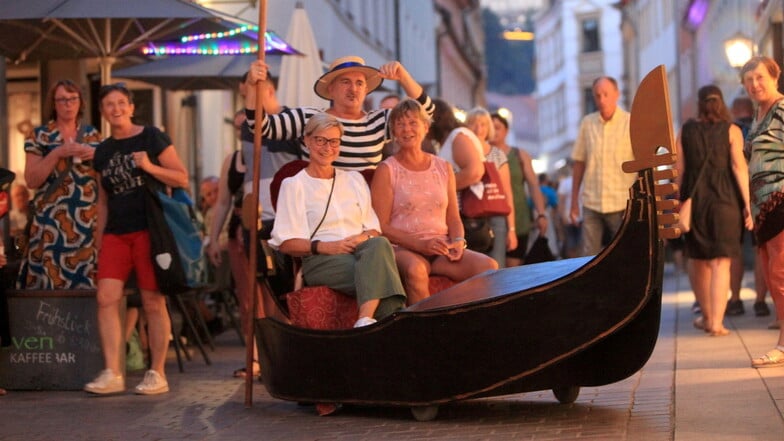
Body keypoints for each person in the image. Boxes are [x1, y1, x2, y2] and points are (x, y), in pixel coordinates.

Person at [86, 83, 189, 395]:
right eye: (109, 105)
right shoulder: (102, 151)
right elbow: (103, 200)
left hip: (150, 229)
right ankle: (113, 371)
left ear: (131, 107)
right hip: (116, 232)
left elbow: (181, 177)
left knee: (152, 301)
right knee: (106, 297)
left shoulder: (151, 137)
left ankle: (157, 372)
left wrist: (148, 165)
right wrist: (98, 237)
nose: (115, 109)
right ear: (102, 112)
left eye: (121, 103)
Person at [269, 113, 406, 327]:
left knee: (379, 244)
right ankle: (386, 326)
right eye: (320, 140)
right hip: (321, 259)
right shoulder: (294, 185)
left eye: (333, 141)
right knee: (382, 275)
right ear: (307, 140)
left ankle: (364, 320)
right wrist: (328, 247)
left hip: (362, 253)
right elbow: (286, 243)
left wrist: (361, 238)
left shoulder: (353, 180)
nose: (327, 147)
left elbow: (374, 230)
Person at [371, 99, 498, 304]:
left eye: (413, 123)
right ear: (393, 130)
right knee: (417, 270)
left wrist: (458, 241)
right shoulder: (387, 170)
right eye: (400, 124)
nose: (407, 129)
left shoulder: (443, 167)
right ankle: (427, 331)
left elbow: (453, 217)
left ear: (426, 127)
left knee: (489, 266)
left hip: (440, 247)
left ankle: (466, 324)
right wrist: (421, 244)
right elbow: (380, 226)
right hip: (403, 248)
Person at [245, 55, 434, 170]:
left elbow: (425, 112)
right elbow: (261, 127)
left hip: (365, 212)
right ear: (331, 90)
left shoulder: (380, 121)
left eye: (359, 83)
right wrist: (252, 87)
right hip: (320, 210)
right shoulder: (309, 118)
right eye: (345, 82)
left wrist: (403, 76)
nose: (353, 89)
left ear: (366, 89)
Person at [676, 85, 752, 337]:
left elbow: (679, 172)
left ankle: (707, 316)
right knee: (721, 263)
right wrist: (747, 205)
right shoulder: (732, 130)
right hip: (726, 201)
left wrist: (678, 201)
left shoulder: (685, 131)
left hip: (695, 201)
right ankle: (717, 323)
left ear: (699, 103)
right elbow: (739, 168)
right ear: (721, 103)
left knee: (699, 261)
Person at [17, 79, 101, 289]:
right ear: (53, 104)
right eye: (62, 99)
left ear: (80, 102)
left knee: (85, 285)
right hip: (50, 223)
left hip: (85, 225)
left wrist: (95, 154)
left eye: (72, 99)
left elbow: (102, 180)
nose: (68, 104)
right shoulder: (40, 136)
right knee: (48, 285)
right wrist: (57, 153)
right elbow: (32, 180)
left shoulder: (92, 135)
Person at [740, 56, 784, 367]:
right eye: (748, 80)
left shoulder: (782, 109)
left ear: (774, 76)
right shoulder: (759, 113)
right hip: (763, 206)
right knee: (773, 275)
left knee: (780, 274)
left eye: (759, 78)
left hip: (781, 199)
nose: (754, 85)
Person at [570, 76, 636, 257]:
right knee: (588, 257)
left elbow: (641, 163)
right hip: (592, 201)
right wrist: (574, 201)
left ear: (616, 94)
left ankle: (624, 285)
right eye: (597, 95)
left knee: (623, 254)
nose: (602, 99)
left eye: (606, 94)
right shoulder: (587, 124)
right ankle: (592, 286)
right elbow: (579, 163)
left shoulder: (630, 123)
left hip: (622, 202)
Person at [727, 96, 770, 317]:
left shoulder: (730, 130)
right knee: (760, 248)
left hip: (733, 196)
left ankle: (735, 299)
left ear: (734, 110)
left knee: (735, 251)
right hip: (760, 191)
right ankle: (761, 300)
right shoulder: (759, 126)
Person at [490, 112, 548, 265]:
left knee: (513, 268)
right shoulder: (480, 154)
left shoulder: (519, 155)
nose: (494, 131)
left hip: (518, 219)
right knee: (493, 268)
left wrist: (541, 214)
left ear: (506, 131)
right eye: (491, 127)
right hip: (489, 221)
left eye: (498, 127)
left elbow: (534, 186)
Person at [465, 107, 516, 267]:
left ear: (488, 128)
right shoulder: (461, 151)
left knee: (497, 267)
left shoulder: (497, 154)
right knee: (472, 269)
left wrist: (512, 229)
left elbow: (507, 193)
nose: (478, 128)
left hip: (495, 218)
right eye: (473, 124)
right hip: (467, 218)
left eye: (483, 124)